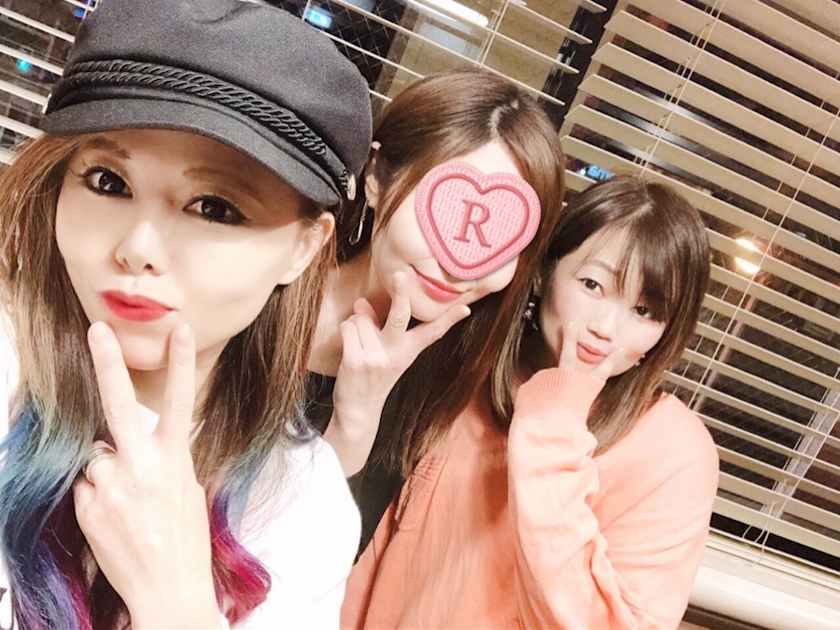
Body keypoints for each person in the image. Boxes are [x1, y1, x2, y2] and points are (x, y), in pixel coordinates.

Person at [0, 0, 372, 628]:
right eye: (109, 182)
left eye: (214, 208)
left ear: (305, 247)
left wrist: (175, 601)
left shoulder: (303, 508)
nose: (139, 248)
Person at [341, 175, 720, 629]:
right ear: (543, 273)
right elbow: (373, 550)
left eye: (644, 311)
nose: (605, 327)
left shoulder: (674, 451)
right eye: (593, 285)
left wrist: (556, 424)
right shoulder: (469, 371)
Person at [304, 68, 567, 550]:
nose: (457, 263)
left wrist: (356, 419)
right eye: (443, 213)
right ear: (376, 179)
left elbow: (314, 564)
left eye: (500, 237)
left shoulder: (440, 380)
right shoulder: (263, 291)